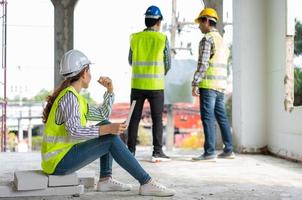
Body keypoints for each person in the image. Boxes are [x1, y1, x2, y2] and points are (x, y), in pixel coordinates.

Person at [41, 49, 175, 197]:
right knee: (110, 137)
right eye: (89, 70)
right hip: (59, 162)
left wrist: (109, 91)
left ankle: (105, 179)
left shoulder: (74, 97)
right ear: (84, 72)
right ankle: (146, 182)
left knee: (105, 124)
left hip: (60, 159)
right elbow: (75, 131)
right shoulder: (70, 98)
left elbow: (101, 115)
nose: (90, 75)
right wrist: (108, 129)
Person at [127, 5, 171, 162]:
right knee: (157, 119)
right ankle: (157, 152)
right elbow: (168, 63)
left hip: (137, 85)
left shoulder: (135, 38)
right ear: (158, 22)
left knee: (134, 118)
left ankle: (130, 151)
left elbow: (130, 60)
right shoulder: (162, 39)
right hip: (156, 86)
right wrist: (159, 73)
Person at [191, 8, 235, 161]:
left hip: (208, 85)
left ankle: (209, 152)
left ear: (207, 21)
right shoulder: (223, 41)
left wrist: (195, 82)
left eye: (200, 22)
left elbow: (203, 64)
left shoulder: (207, 39)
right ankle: (229, 149)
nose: (199, 26)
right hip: (221, 85)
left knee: (208, 118)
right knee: (222, 117)